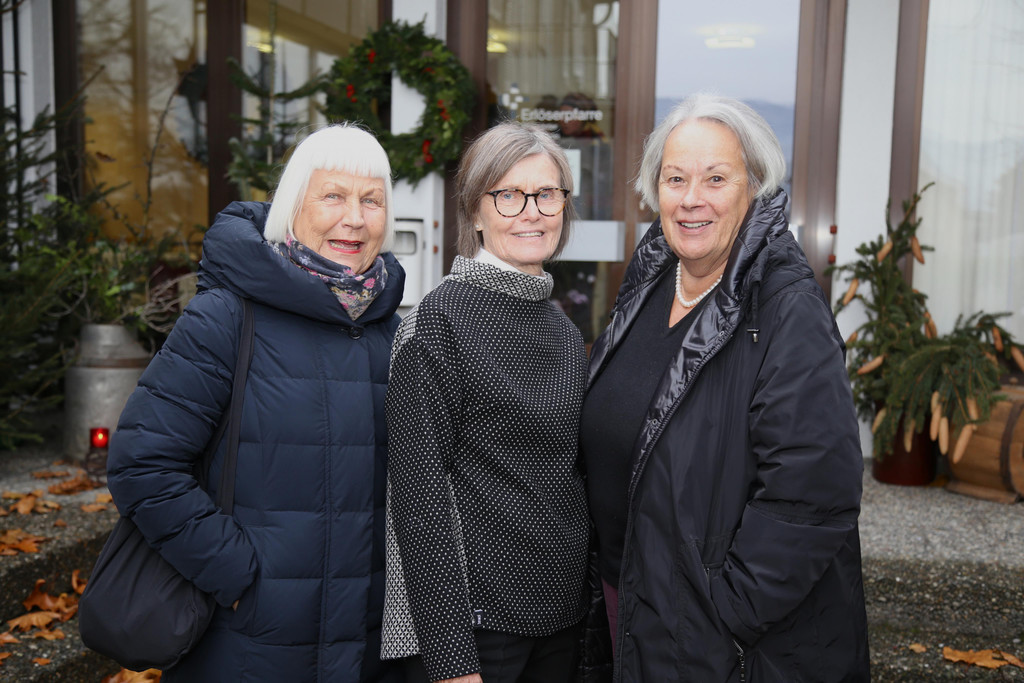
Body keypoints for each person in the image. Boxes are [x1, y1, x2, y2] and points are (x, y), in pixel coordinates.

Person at [581, 93, 869, 681]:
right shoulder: (649, 280)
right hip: (629, 601)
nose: (692, 198)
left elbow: (812, 491)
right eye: (675, 179)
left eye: (716, 178)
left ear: (753, 188)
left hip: (712, 635)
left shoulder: (786, 308)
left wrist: (728, 611)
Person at [106, 124, 406, 682]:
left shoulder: (391, 330)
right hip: (246, 643)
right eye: (333, 195)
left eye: (372, 200)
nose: (355, 218)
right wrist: (238, 574)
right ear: (293, 204)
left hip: (365, 648)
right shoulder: (226, 316)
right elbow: (142, 463)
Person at [381, 122, 590, 683]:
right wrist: (451, 661)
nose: (531, 212)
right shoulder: (438, 324)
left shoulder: (562, 329)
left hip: (562, 619)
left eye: (546, 194)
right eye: (508, 195)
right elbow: (418, 501)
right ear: (475, 212)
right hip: (479, 630)